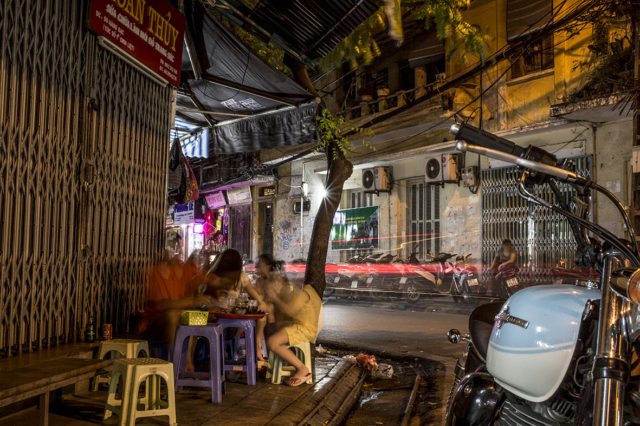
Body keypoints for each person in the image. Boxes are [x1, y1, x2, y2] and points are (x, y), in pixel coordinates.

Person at [136, 251, 214, 350]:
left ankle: (191, 360)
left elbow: (213, 281)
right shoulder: (153, 272)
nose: (179, 255)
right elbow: (160, 305)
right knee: (173, 315)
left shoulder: (184, 272)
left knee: (202, 316)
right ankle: (177, 361)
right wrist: (192, 301)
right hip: (153, 325)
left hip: (178, 319)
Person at [264, 281, 323, 387]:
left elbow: (290, 311)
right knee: (270, 327)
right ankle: (271, 365)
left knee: (272, 342)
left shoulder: (305, 293)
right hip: (300, 324)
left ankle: (302, 369)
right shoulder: (305, 290)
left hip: (304, 328)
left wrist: (275, 297)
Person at [254, 254, 289, 361]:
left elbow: (279, 297)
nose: (257, 269)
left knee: (267, 310)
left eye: (259, 266)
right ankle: (260, 349)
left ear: (268, 266)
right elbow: (257, 296)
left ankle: (262, 349)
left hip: (281, 312)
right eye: (257, 267)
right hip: (265, 312)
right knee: (264, 312)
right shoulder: (259, 281)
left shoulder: (277, 278)